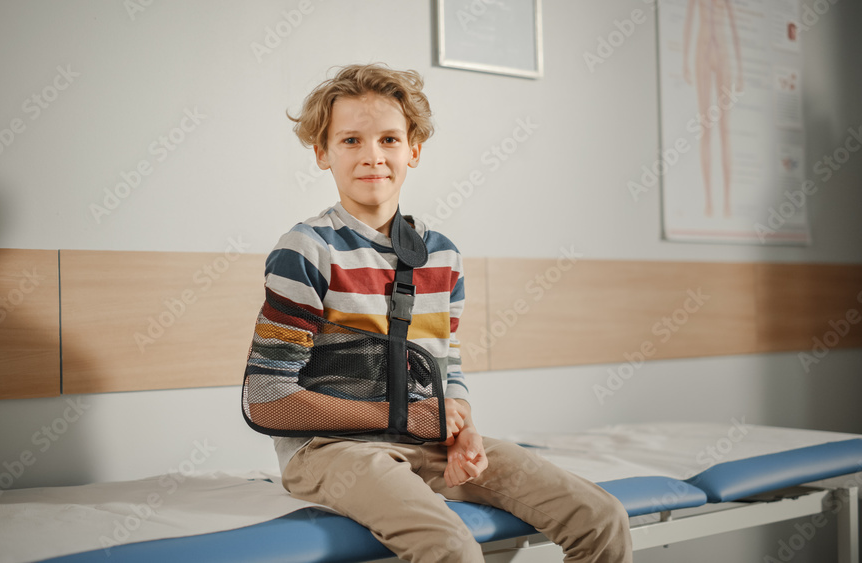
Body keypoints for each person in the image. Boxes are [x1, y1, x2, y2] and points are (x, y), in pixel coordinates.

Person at [243, 63, 631, 562]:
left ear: (414, 150)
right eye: (351, 141)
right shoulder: (306, 249)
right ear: (322, 153)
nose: (373, 157)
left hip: (422, 439)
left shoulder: (440, 253)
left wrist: (462, 425)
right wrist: (407, 417)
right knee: (449, 546)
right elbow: (267, 398)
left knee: (602, 518)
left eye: (388, 139)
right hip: (330, 451)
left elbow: (445, 363)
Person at [682, 0, 744, 218]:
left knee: (724, 129)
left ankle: (727, 201)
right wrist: (684, 61)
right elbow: (689, 20)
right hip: (703, 51)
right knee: (705, 128)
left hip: (723, 53)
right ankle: (709, 201)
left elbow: (734, 27)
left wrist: (741, 69)